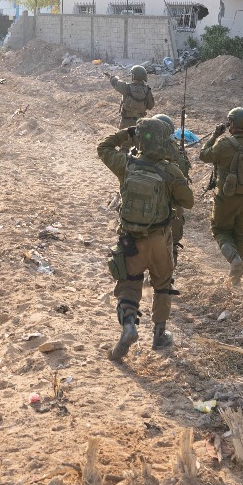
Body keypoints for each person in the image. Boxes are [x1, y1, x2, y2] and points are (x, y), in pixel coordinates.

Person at [99, 118, 194, 358]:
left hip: (132, 242)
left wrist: (127, 132)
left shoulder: (126, 164)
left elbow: (103, 147)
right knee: (163, 286)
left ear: (140, 138)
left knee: (129, 285)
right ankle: (159, 335)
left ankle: (129, 326)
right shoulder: (169, 170)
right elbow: (188, 201)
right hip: (160, 240)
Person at [198, 107, 243, 284]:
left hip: (226, 199)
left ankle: (234, 260)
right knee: (241, 235)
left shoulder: (224, 144)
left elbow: (203, 155)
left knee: (220, 231)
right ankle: (236, 277)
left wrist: (215, 135)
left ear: (231, 123)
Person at [148, 113, 192, 262]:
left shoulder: (144, 152)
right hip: (172, 206)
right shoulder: (178, 155)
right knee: (172, 241)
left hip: (150, 204)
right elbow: (184, 181)